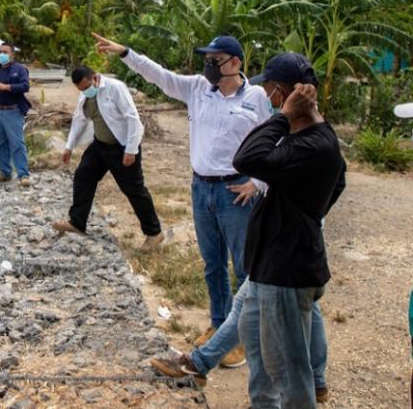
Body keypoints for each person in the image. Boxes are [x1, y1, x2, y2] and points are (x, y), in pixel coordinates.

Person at [93, 33, 271, 365]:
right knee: (212, 264)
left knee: (244, 268)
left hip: (236, 192)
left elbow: (273, 141)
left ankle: (242, 337)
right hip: (201, 187)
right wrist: (127, 53)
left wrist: (258, 183)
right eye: (207, 59)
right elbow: (160, 75)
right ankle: (219, 325)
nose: (208, 65)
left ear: (235, 63)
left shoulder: (256, 98)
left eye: (215, 60)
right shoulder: (197, 88)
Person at [233, 53, 346, 408]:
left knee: (287, 370)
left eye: (269, 92)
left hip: (285, 271)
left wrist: (282, 117)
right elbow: (339, 181)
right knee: (253, 339)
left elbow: (246, 158)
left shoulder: (311, 144)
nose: (266, 99)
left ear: (283, 94)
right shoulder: (309, 138)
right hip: (269, 267)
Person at [150, 278, 330, 402]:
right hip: (272, 254)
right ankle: (200, 365)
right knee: (246, 311)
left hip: (285, 258)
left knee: (290, 367)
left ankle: (198, 365)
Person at [52, 66, 163, 245]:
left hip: (122, 146)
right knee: (83, 176)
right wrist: (69, 146)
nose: (84, 91)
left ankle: (154, 233)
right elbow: (79, 119)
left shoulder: (115, 88)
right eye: (80, 89)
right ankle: (77, 223)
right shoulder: (85, 95)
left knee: (134, 190)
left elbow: (132, 118)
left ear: (95, 78)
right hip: (100, 145)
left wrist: (130, 150)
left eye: (86, 87)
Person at [0, 42, 32, 187]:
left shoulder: (20, 69)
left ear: (12, 55)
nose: (2, 54)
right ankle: (4, 172)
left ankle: (23, 174)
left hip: (13, 111)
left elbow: (25, 86)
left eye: (5, 52)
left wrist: (6, 87)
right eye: (0, 52)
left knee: (16, 143)